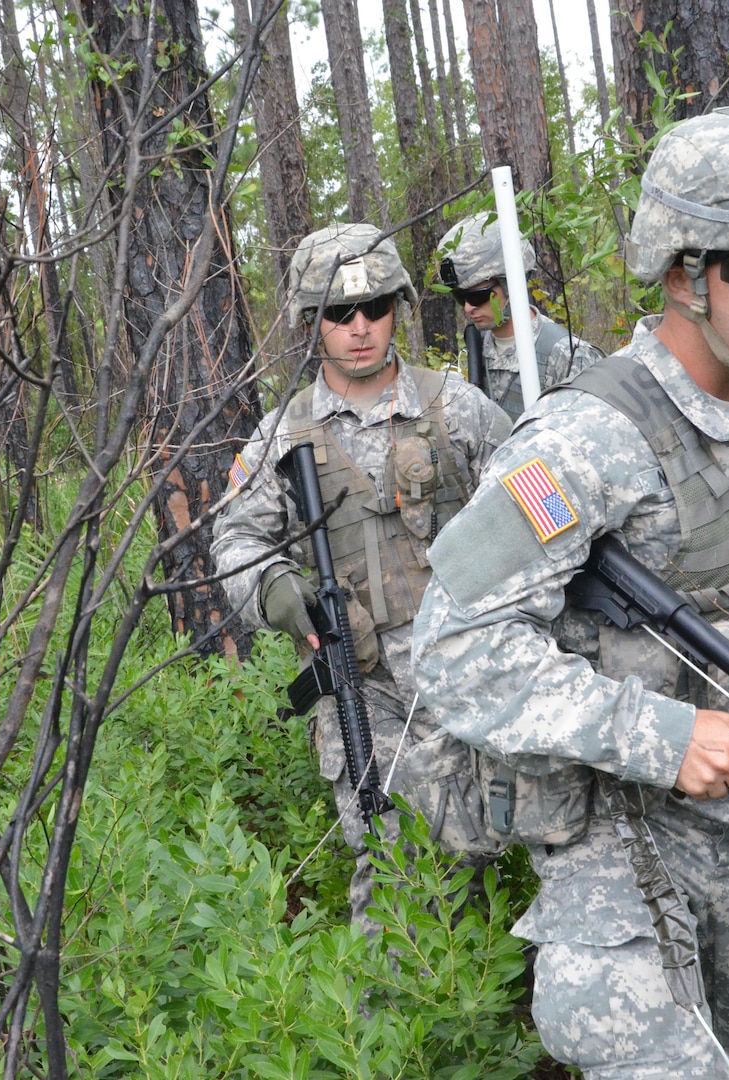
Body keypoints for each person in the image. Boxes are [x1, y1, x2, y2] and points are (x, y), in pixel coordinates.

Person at [412, 108, 729, 1077]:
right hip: (612, 832)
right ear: (682, 271)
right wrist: (658, 736)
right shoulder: (584, 439)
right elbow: (449, 648)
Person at [212, 222, 511, 928]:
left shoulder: (459, 409)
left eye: (374, 307)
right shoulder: (283, 438)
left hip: (478, 668)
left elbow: (538, 507)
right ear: (312, 323)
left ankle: (498, 1012)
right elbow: (237, 540)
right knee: (393, 869)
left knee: (498, 849)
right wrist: (283, 597)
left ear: (398, 309)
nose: (359, 327)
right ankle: (395, 1024)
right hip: (367, 686)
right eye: (338, 314)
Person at [436, 211, 605, 421]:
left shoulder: (567, 356)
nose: (468, 308)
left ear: (510, 284)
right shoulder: (477, 348)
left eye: (477, 296)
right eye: (460, 298)